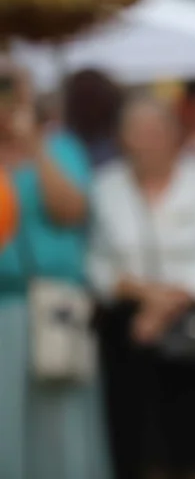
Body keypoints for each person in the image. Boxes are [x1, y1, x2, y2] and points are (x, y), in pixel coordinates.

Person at [89, 97, 195, 479]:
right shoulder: (107, 186)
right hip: (128, 326)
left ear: (175, 136)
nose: (147, 141)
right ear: (122, 139)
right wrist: (147, 298)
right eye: (137, 132)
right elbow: (96, 263)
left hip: (193, 325)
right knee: (138, 444)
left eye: (156, 131)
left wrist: (164, 307)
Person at [0, 61, 113, 479]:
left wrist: (33, 146)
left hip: (53, 305)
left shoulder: (60, 146)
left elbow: (71, 211)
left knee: (59, 430)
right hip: (2, 307)